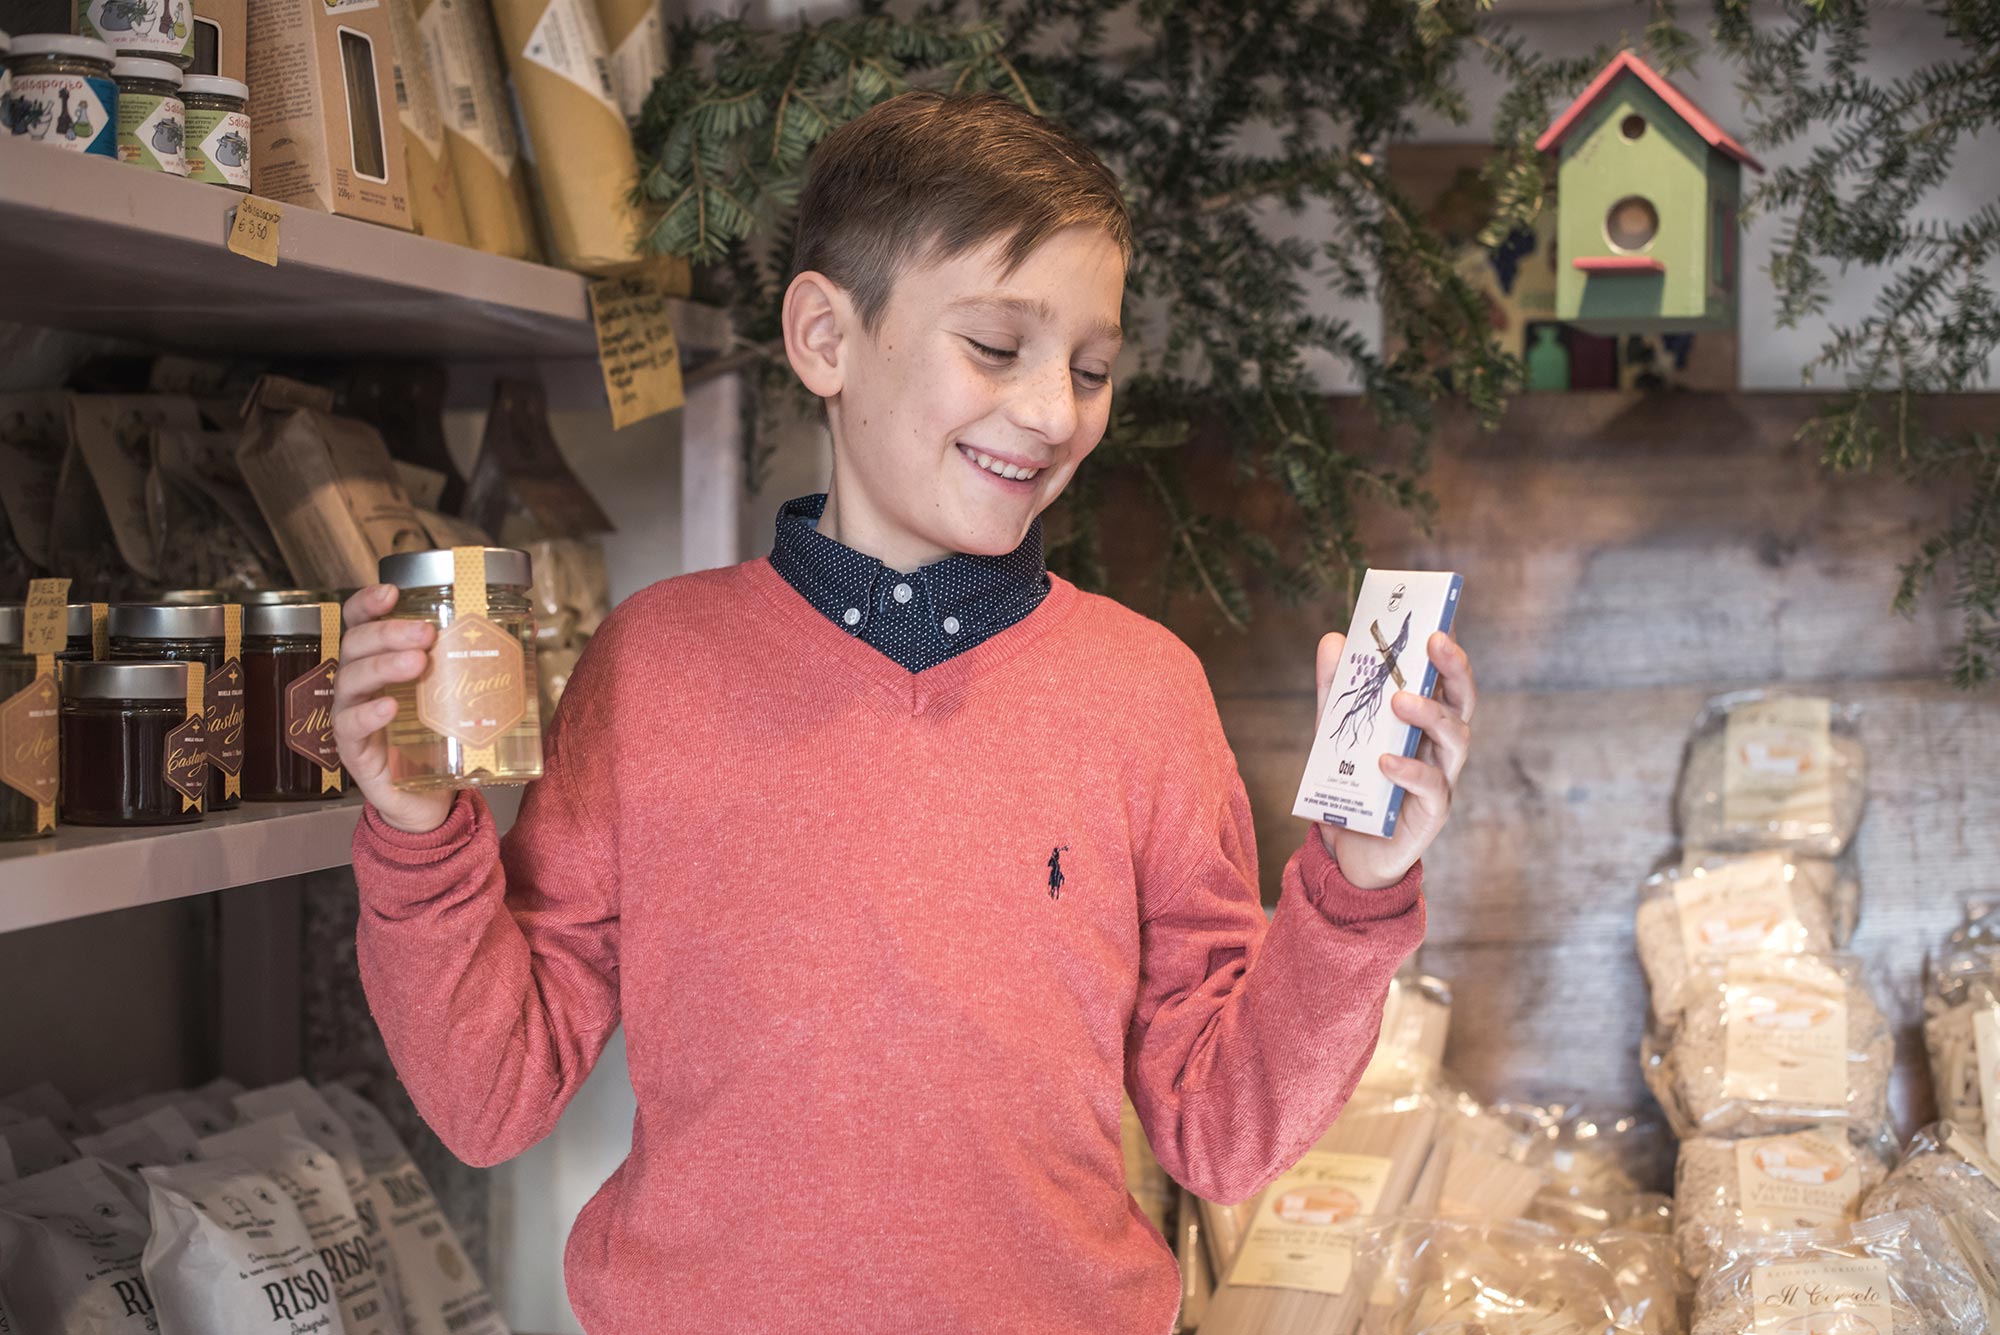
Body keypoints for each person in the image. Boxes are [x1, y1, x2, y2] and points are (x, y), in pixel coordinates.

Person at [332, 90, 1477, 1334]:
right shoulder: (650, 669)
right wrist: (417, 840)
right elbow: (489, 1098)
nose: (1053, 412)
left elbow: (1220, 1132)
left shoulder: (1142, 692)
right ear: (824, 337)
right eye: (995, 347)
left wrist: (1352, 896)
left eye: (1091, 368)